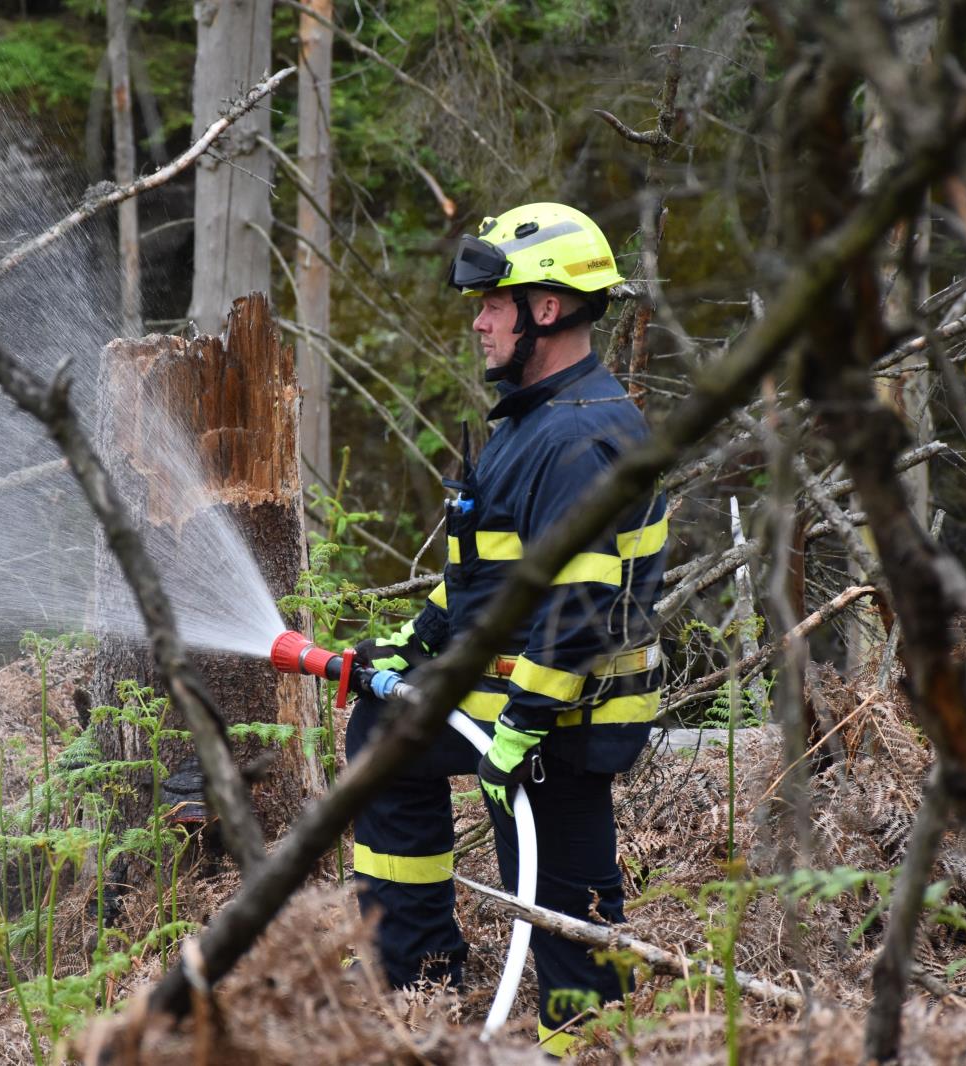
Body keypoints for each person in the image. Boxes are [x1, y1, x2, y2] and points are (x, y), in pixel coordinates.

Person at [346, 202, 668, 1057]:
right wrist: (413, 645)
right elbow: (488, 582)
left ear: (547, 309)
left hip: (571, 705)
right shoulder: (537, 420)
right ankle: (419, 979)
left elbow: (581, 607)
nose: (480, 320)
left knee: (568, 874)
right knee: (388, 726)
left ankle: (578, 1035)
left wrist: (520, 726)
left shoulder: (576, 437)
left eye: (494, 302)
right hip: (546, 690)